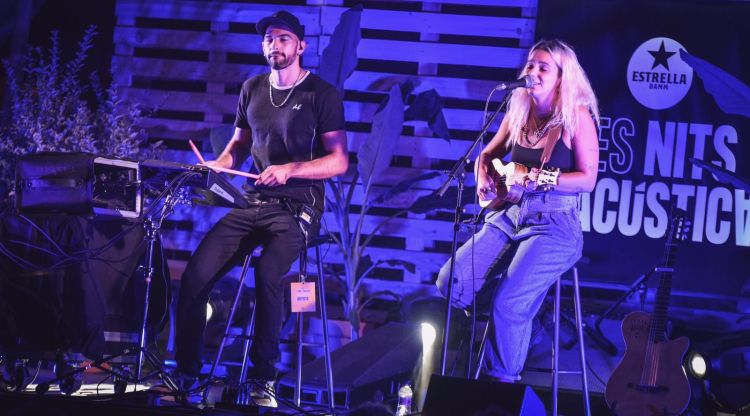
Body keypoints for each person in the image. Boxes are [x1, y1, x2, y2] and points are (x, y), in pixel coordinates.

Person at [174, 10, 348, 407]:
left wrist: (290, 170)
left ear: (300, 46)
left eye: (283, 38)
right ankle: (187, 373)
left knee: (268, 272)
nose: (275, 45)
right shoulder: (252, 89)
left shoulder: (321, 94)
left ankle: (262, 379)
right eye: (269, 39)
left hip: (298, 207)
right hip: (252, 201)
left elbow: (339, 161)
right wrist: (218, 165)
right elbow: (236, 149)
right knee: (196, 273)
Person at [436, 39, 599, 382]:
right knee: (453, 282)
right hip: (510, 213)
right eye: (531, 65)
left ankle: (502, 386)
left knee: (508, 305)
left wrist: (538, 175)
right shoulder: (519, 108)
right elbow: (487, 154)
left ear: (561, 77)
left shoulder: (576, 116)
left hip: (555, 222)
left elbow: (587, 180)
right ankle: (527, 322)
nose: (533, 72)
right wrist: (483, 177)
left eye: (544, 67)